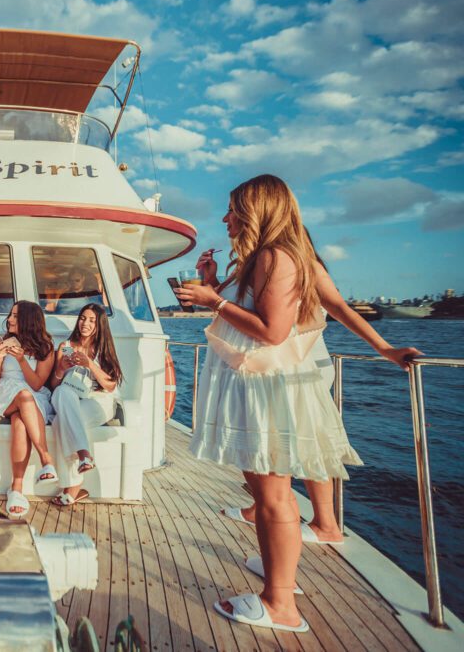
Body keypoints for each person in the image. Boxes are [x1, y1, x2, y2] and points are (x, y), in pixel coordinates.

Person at [175, 174, 362, 634]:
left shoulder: (276, 257)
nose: (225, 218)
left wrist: (212, 300)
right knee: (266, 496)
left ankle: (279, 603)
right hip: (257, 387)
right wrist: (214, 284)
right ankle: (279, 577)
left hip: (266, 389)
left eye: (232, 209)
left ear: (257, 209)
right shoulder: (259, 259)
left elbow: (272, 331)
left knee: (275, 497)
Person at [203, 240, 421, 544]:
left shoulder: (292, 263)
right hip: (268, 365)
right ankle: (270, 509)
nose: (228, 220)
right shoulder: (254, 264)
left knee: (306, 441)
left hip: (295, 366)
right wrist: (212, 283)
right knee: (276, 445)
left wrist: (385, 349)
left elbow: (337, 308)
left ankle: (318, 522)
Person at [0, 300, 56, 519]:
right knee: (23, 399)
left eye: (16, 316)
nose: (10, 319)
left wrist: (22, 360)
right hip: (2, 394)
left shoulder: (45, 347)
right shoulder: (1, 341)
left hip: (32, 395)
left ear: (28, 320)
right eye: (11, 314)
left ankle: (16, 489)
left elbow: (36, 384)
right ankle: (46, 459)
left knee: (20, 422)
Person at [48, 304, 122, 507]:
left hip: (98, 401)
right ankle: (84, 455)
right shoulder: (66, 346)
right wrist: (61, 369)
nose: (85, 323)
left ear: (99, 325)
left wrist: (90, 364)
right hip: (68, 397)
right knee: (62, 391)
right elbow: (54, 385)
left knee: (59, 423)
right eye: (83, 318)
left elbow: (110, 385)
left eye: (91, 320)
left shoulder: (102, 348)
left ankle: (71, 488)